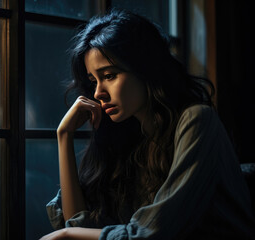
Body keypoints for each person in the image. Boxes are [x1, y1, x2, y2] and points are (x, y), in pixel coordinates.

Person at [40, 8, 255, 240]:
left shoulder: (197, 120)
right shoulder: (128, 138)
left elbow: (151, 233)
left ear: (145, 69)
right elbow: (79, 223)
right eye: (93, 81)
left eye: (109, 76)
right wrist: (64, 136)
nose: (98, 92)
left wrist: (67, 234)